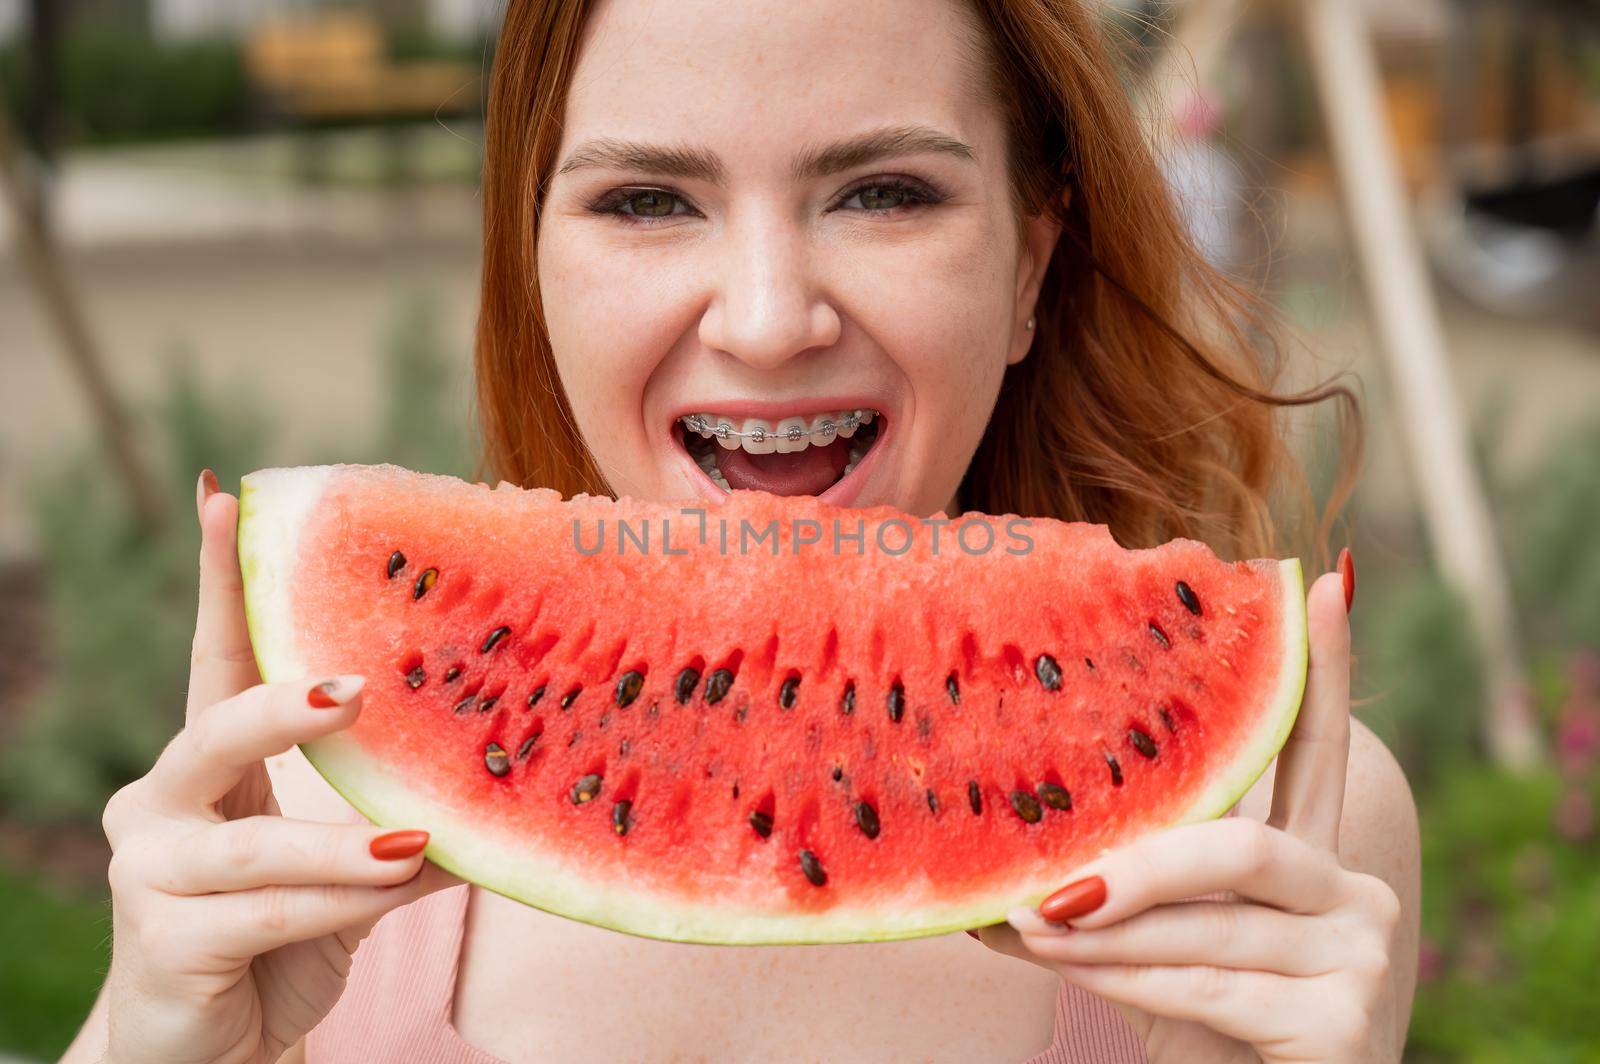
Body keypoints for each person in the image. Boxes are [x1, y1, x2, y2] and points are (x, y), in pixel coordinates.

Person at [65, 1, 1420, 1060]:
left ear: (1029, 260)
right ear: (532, 261)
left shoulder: (1279, 843)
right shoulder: (305, 817)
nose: (769, 320)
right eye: (647, 200)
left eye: (885, 191)